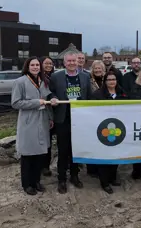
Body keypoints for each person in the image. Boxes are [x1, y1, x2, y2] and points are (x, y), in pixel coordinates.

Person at [49, 52, 93, 194]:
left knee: (76, 149)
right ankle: (62, 179)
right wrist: (53, 98)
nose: (72, 63)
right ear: (64, 62)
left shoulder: (85, 77)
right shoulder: (56, 76)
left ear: (78, 61)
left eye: (74, 61)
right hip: (63, 118)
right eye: (69, 61)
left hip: (80, 118)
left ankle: (74, 176)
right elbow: (51, 93)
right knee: (63, 150)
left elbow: (89, 96)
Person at [11, 56, 55, 195]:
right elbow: (16, 103)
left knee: (40, 154)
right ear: (27, 67)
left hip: (42, 120)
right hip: (28, 122)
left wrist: (50, 116)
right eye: (33, 65)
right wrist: (37, 102)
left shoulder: (44, 81)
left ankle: (36, 181)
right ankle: (27, 184)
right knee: (28, 154)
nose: (35, 67)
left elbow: (47, 100)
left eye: (37, 65)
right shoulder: (20, 82)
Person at [91, 70, 127, 193]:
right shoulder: (97, 95)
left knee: (116, 154)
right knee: (104, 156)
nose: (112, 82)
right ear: (105, 81)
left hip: (118, 129)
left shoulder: (122, 93)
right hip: (103, 129)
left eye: (114, 79)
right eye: (109, 79)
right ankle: (104, 182)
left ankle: (112, 177)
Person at [39, 56, 56, 177]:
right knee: (43, 140)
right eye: (46, 63)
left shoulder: (53, 77)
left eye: (51, 63)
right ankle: (41, 166)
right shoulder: (39, 78)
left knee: (48, 141)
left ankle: (46, 165)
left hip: (53, 112)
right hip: (43, 112)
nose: (49, 65)